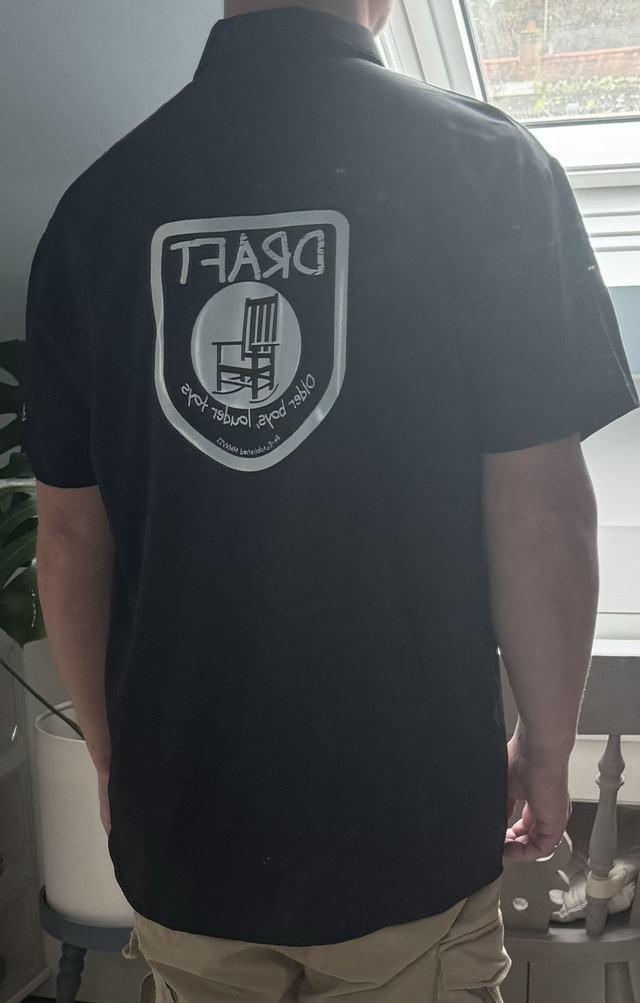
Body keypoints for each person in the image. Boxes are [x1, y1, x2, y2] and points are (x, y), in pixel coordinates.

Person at [23, 0, 638, 1000]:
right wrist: (546, 743)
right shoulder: (487, 168)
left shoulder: (97, 207)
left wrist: (111, 760)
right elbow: (541, 516)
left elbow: (67, 538)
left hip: (187, 824)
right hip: (406, 825)